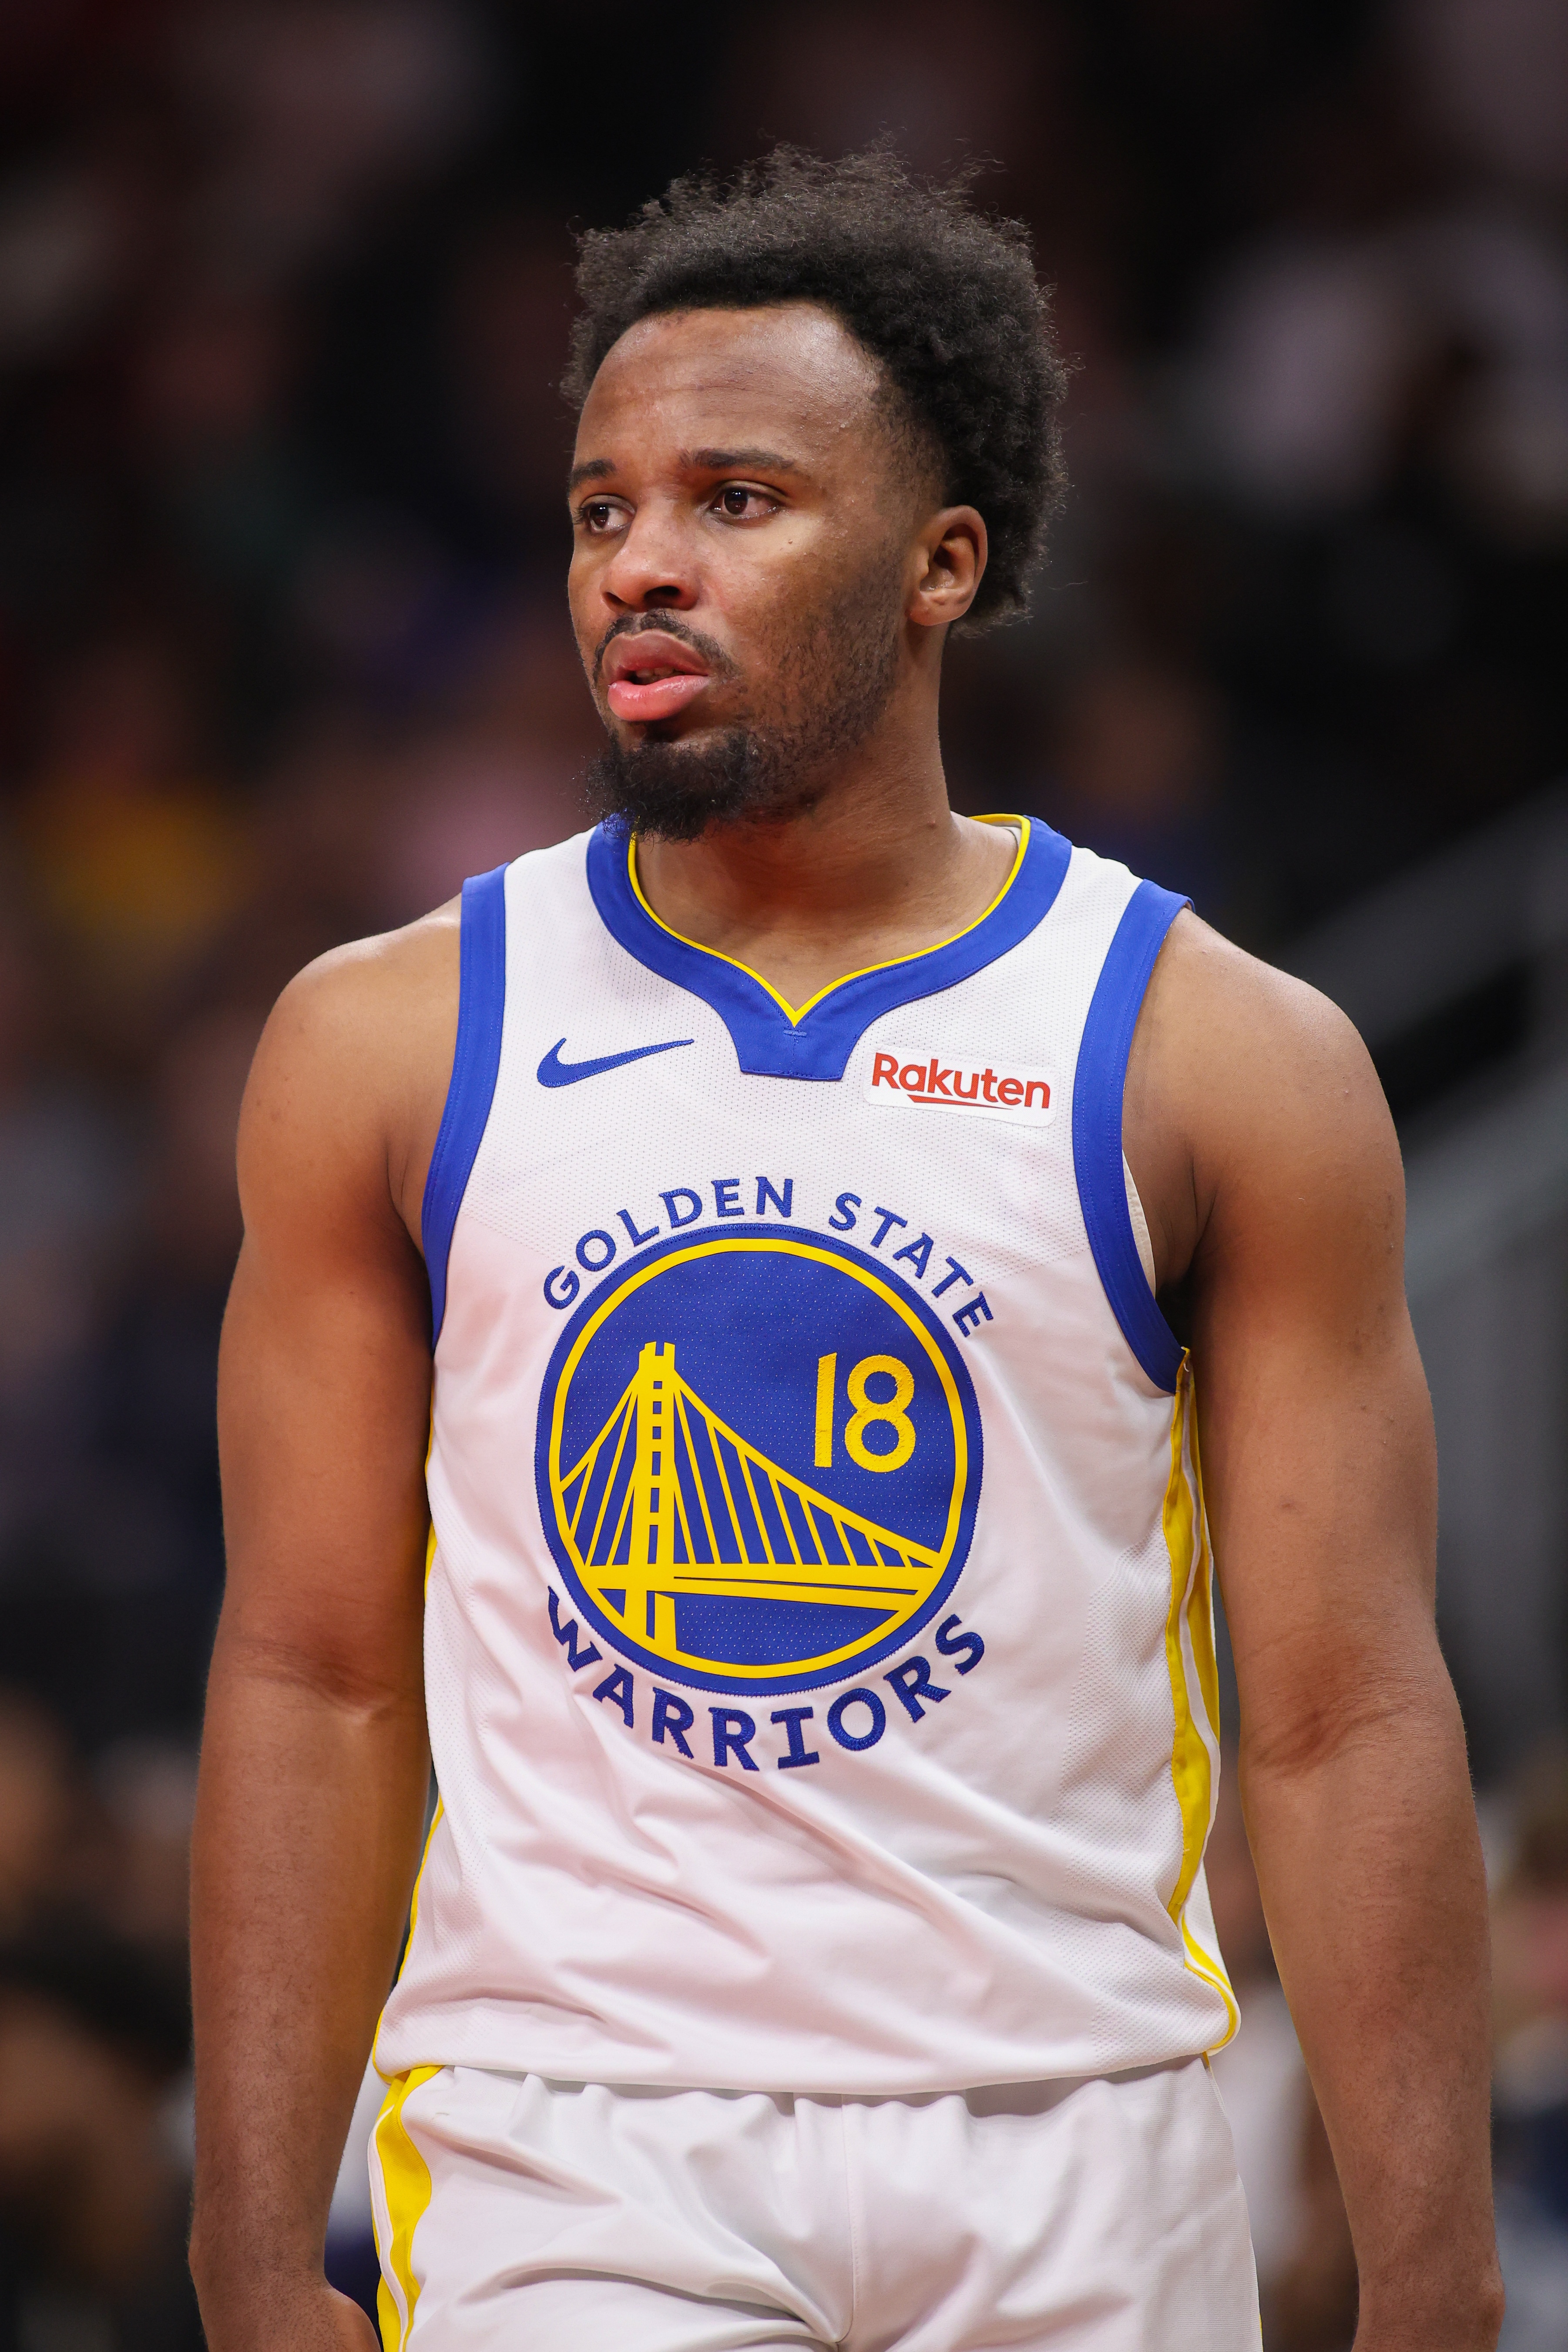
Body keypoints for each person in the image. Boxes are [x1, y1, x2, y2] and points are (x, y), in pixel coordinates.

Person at [188, 149, 1502, 2352]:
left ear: (939, 563)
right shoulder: (389, 1037)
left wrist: (1432, 2269)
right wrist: (246, 2247)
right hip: (577, 2145)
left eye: (736, 499)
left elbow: (1344, 1708)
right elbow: (311, 1673)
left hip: (1081, 2129)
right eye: (600, 509)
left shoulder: (1218, 1053)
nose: (640, 564)